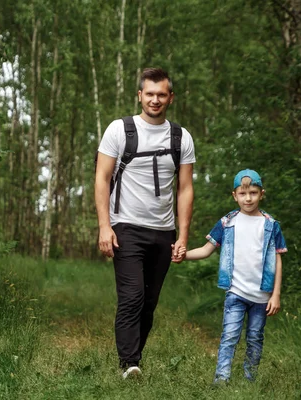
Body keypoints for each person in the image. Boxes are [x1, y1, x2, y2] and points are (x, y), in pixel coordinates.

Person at [95, 68, 196, 378]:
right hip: (125, 226)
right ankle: (129, 364)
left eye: (161, 94)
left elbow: (185, 189)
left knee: (149, 302)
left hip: (163, 232)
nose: (155, 100)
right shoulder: (119, 130)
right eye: (149, 94)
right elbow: (101, 177)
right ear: (139, 95)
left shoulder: (181, 137)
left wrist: (182, 235)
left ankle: (134, 357)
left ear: (170, 98)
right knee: (133, 296)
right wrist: (104, 226)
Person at [177, 169, 287, 384]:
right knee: (229, 337)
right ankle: (221, 379)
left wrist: (276, 295)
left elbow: (278, 260)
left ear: (261, 194)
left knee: (255, 338)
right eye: (243, 194)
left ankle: (250, 380)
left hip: (262, 296)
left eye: (253, 193)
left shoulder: (271, 225)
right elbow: (207, 249)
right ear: (234, 195)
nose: (248, 198)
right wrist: (183, 256)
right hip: (235, 292)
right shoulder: (227, 222)